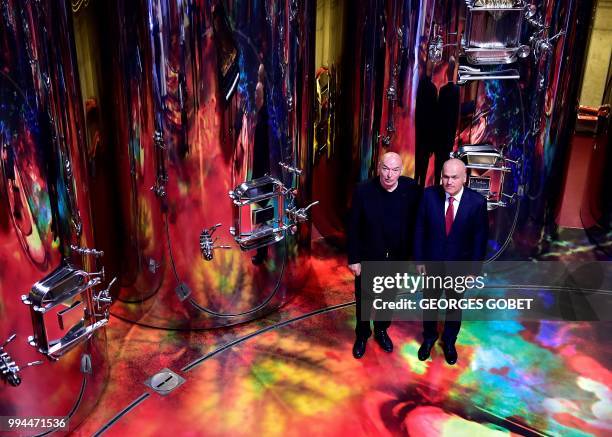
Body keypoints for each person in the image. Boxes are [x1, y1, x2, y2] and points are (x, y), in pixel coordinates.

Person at [414, 158, 488, 365]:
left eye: (454, 177)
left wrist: (474, 270)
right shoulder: (428, 196)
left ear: (464, 178)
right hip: (432, 264)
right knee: (430, 304)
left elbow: (479, 239)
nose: (449, 182)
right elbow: (419, 229)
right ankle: (429, 338)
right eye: (445, 177)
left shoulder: (477, 203)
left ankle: (449, 341)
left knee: (454, 306)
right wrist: (419, 260)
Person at [347, 152, 421, 359]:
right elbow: (353, 227)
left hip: (397, 258)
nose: (389, 175)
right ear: (379, 167)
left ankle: (381, 330)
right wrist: (354, 259)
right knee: (365, 299)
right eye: (386, 168)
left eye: (395, 170)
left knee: (388, 298)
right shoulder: (363, 190)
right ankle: (362, 335)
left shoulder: (410, 189)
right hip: (369, 256)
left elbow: (417, 222)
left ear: (401, 171)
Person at [434, 57, 460, 186]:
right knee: (444, 163)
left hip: (440, 134)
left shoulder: (443, 90)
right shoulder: (455, 90)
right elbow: (454, 115)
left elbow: (438, 114)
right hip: (447, 135)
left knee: (439, 164)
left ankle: (437, 185)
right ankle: (440, 187)